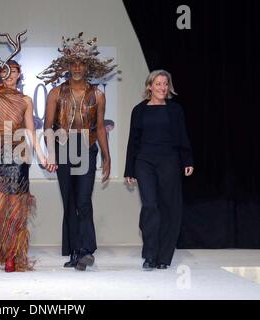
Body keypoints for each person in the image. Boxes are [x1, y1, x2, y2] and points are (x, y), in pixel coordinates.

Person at [40, 33, 117, 271]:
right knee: (70, 201)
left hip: (86, 148)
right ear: (67, 67)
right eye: (72, 63)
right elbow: (47, 126)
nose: (76, 67)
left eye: (81, 63)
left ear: (87, 66)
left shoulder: (98, 95)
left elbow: (101, 128)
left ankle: (85, 250)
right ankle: (74, 251)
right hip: (63, 148)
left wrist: (107, 156)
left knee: (83, 200)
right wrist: (51, 153)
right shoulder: (55, 93)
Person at [0, 57, 56, 272]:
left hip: (18, 158)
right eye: (5, 71)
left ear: (19, 74)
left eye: (13, 71)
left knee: (16, 211)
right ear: (0, 74)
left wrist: (44, 157)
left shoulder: (26, 100)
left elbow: (30, 131)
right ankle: (5, 249)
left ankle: (12, 256)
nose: (9, 75)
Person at [124, 69, 194, 270]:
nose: (163, 87)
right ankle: (150, 255)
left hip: (169, 162)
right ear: (149, 87)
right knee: (150, 206)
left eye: (165, 84)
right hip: (144, 162)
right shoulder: (139, 110)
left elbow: (182, 136)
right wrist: (130, 169)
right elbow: (133, 142)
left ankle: (163, 257)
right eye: (158, 84)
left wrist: (187, 160)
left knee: (168, 208)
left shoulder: (175, 110)